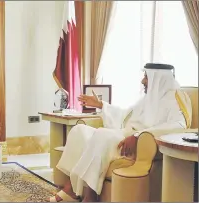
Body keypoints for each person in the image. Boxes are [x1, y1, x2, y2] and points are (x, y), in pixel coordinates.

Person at [48, 63, 192, 202]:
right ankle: (72, 186)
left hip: (139, 142)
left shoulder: (176, 98)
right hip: (124, 133)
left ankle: (89, 196)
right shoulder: (148, 98)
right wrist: (101, 105)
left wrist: (138, 136)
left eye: (146, 76)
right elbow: (125, 115)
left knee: (102, 135)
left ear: (159, 78)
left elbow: (179, 125)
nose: (143, 80)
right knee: (80, 131)